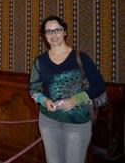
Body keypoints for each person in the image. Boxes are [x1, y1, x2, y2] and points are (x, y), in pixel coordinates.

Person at [29, 15, 106, 163]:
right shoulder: (40, 61)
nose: (53, 35)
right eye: (49, 31)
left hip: (77, 121)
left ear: (64, 32)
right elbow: (33, 88)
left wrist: (75, 100)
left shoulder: (80, 57)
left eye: (57, 30)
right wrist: (43, 100)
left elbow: (99, 85)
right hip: (48, 120)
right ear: (44, 36)